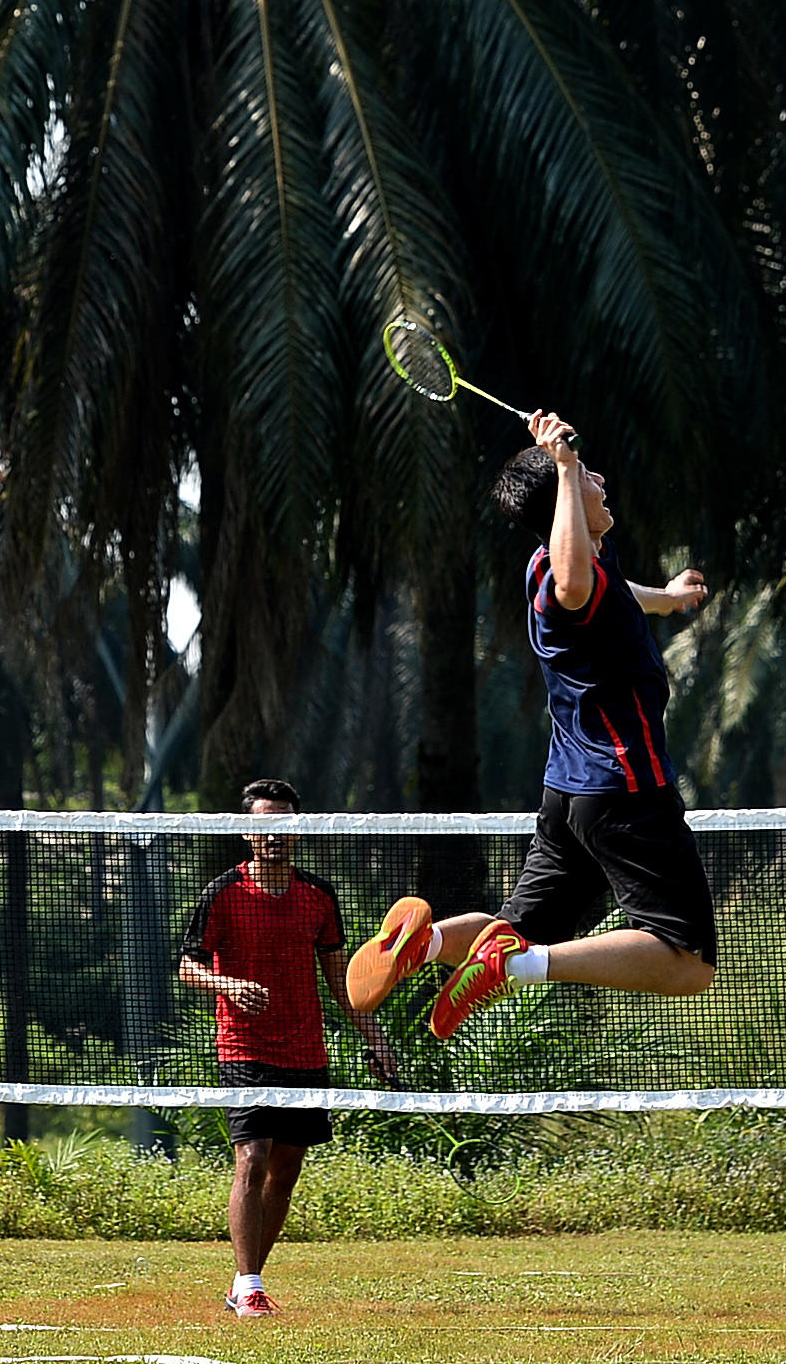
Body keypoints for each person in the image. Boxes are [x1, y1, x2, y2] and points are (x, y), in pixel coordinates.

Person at [344, 408, 716, 1038]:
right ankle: (519, 967)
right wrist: (565, 465)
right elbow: (581, 584)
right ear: (562, 503)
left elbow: (606, 586)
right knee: (689, 960)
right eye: (587, 476)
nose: (599, 480)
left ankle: (425, 944)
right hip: (627, 790)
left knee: (521, 922)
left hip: (571, 795)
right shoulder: (567, 576)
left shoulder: (550, 567)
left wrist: (667, 597)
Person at [177, 779, 399, 1316]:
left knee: (286, 1167)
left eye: (285, 823)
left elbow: (340, 980)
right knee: (251, 1159)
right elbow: (186, 967)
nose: (275, 834)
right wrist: (228, 986)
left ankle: (243, 1279)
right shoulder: (223, 893)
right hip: (244, 1047)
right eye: (265, 823)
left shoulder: (318, 897)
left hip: (305, 1053)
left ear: (298, 830)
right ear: (248, 831)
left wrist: (377, 1042)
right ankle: (251, 1284)